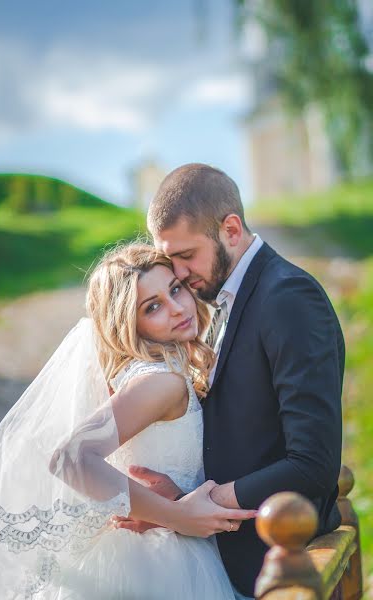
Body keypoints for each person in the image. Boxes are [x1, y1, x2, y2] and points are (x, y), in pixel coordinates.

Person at [0, 242, 256, 600]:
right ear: (129, 323)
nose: (176, 308)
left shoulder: (155, 371)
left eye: (175, 289)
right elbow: (71, 458)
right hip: (159, 559)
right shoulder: (161, 382)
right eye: (152, 307)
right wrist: (175, 516)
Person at [117, 164, 344, 599]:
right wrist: (179, 497)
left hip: (278, 560)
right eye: (170, 259)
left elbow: (313, 462)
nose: (178, 273)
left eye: (186, 255)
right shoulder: (221, 299)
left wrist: (194, 505)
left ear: (232, 229)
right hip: (228, 555)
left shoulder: (288, 298)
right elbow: (251, 439)